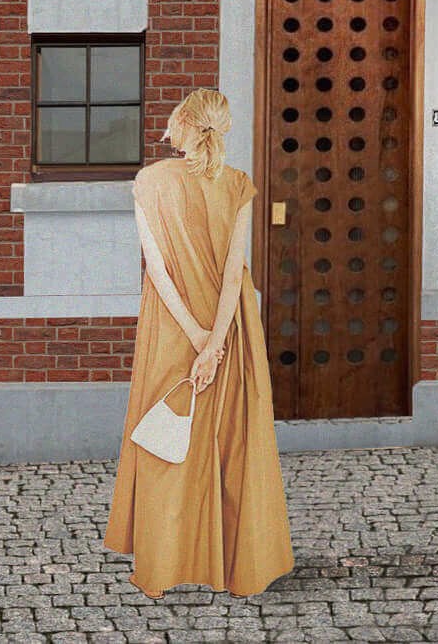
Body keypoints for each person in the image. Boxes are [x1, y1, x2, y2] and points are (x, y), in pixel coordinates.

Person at [104, 87, 293, 599]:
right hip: (230, 330)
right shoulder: (237, 186)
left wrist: (193, 339)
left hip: (172, 330)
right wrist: (213, 344)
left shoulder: (149, 181)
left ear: (184, 121)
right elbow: (235, 276)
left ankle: (162, 569)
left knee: (168, 445)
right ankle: (236, 570)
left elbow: (158, 270)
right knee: (232, 445)